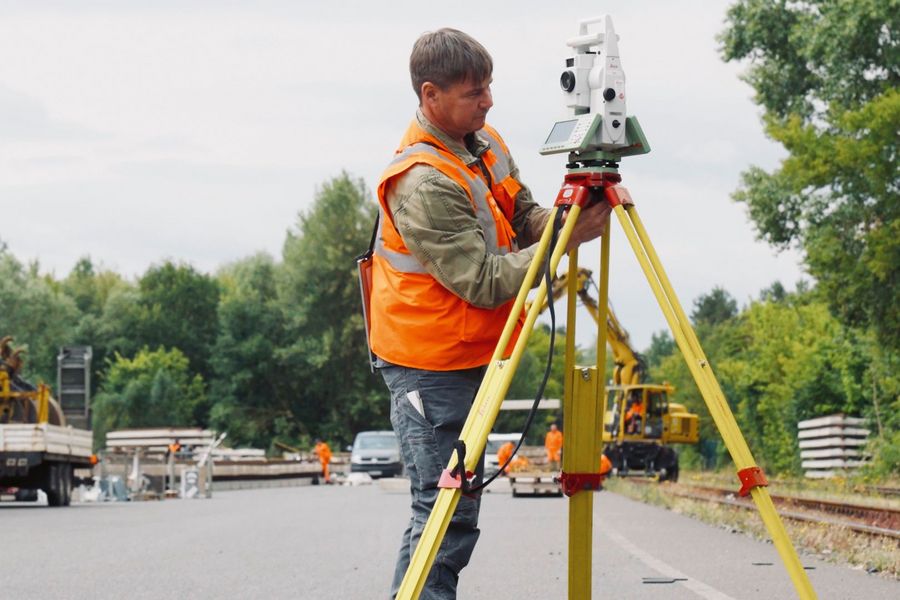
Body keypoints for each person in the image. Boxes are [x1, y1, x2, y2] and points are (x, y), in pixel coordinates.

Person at [369, 28, 609, 599]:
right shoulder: (421, 182)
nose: (489, 101)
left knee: (452, 507)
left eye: (489, 87)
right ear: (431, 95)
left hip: (470, 353)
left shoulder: (483, 140)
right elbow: (481, 281)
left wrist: (569, 211)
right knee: (444, 510)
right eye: (475, 92)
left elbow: (523, 214)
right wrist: (567, 239)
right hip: (426, 364)